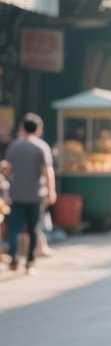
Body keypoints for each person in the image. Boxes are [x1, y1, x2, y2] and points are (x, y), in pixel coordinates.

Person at [2, 113, 55, 272]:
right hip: (35, 195)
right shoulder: (41, 147)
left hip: (16, 194)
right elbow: (47, 171)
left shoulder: (15, 145)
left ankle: (13, 256)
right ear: (38, 129)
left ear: (22, 128)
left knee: (15, 228)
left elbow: (7, 169)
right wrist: (51, 191)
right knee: (33, 229)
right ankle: (30, 260)